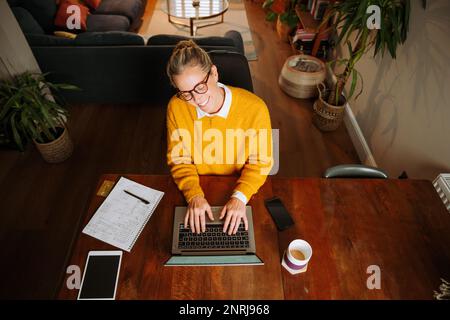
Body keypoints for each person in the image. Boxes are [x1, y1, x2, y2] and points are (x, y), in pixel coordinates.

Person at [166, 40, 273, 235]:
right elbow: (179, 159)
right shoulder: (176, 106)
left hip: (244, 187)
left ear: (214, 73)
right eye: (186, 93)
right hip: (198, 186)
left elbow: (261, 162)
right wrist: (194, 196)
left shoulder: (256, 108)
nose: (197, 99)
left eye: (200, 87)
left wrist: (239, 197)